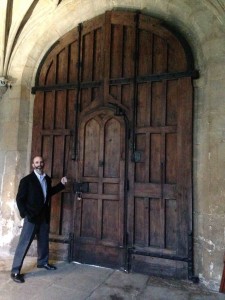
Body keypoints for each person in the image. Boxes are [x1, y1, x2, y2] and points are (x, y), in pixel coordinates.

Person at [10, 156, 67, 283]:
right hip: (31, 218)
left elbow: (48, 193)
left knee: (43, 242)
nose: (39, 164)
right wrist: (25, 214)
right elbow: (20, 199)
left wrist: (61, 185)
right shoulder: (27, 180)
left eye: (41, 162)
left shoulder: (47, 178)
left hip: (43, 217)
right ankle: (15, 271)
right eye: (36, 162)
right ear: (33, 165)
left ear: (43, 164)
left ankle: (43, 263)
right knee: (23, 244)